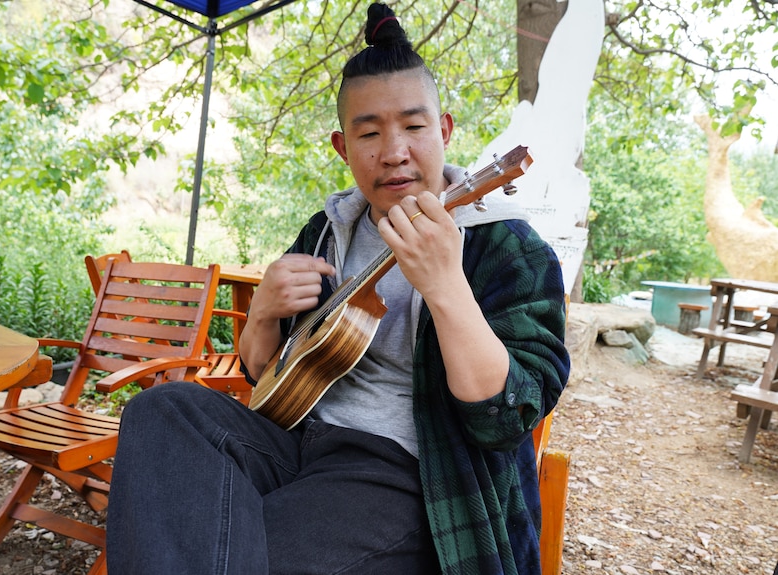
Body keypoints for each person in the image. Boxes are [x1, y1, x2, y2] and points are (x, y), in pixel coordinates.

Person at [106, 3, 570, 574]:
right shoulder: (325, 232)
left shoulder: (506, 248)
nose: (394, 150)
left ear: (444, 130)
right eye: (369, 132)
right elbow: (264, 377)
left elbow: (503, 422)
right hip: (294, 441)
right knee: (163, 410)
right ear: (342, 147)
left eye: (414, 126)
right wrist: (263, 318)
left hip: (408, 471)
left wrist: (446, 286)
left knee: (228, 552)